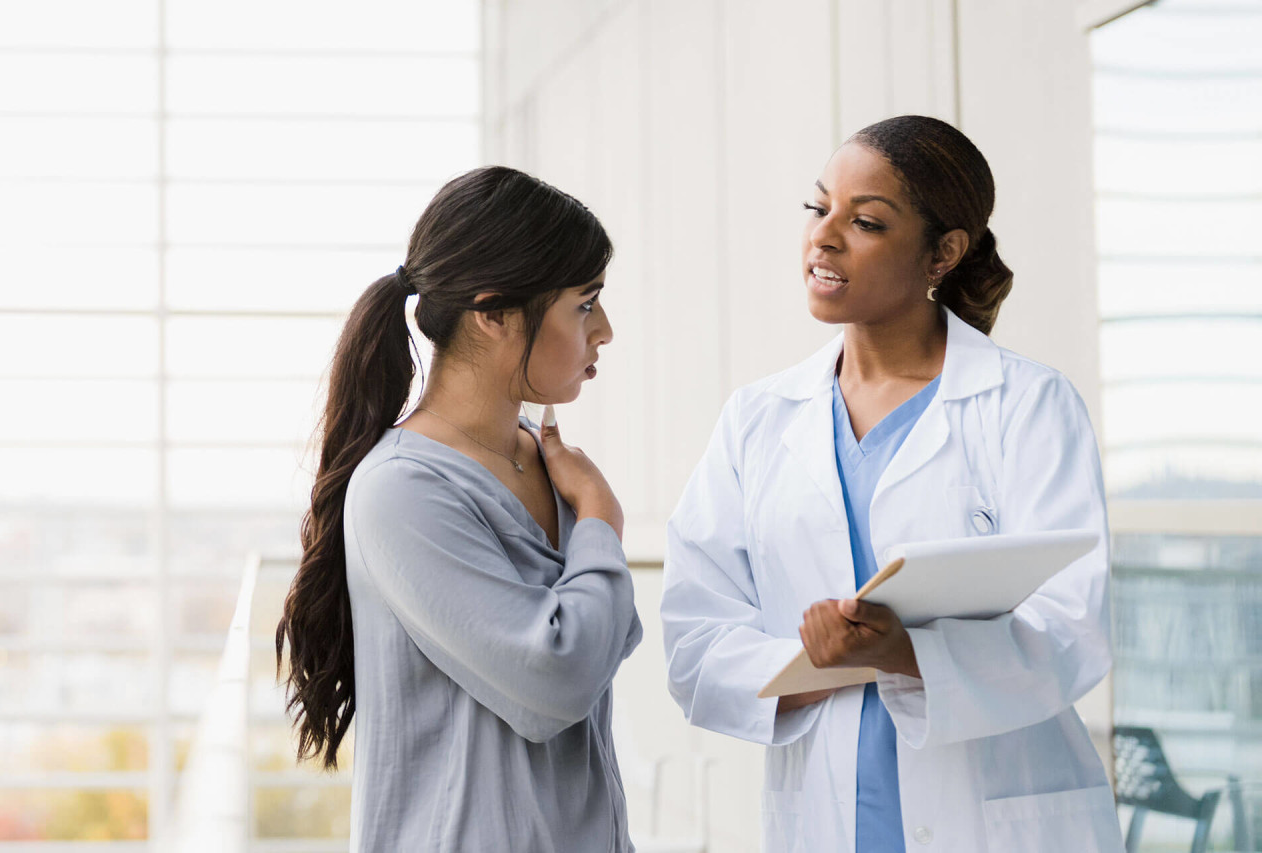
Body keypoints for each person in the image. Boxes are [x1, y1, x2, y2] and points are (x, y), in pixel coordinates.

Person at [660, 115, 1123, 852]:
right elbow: (695, 639)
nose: (825, 236)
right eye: (819, 209)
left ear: (943, 252)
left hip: (994, 818)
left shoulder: (1027, 405)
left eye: (866, 220)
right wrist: (827, 662)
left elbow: (1073, 627)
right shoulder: (757, 418)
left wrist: (904, 654)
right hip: (828, 813)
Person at [276, 165, 644, 852]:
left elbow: (603, 643)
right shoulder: (403, 489)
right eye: (585, 304)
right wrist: (599, 516)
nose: (606, 331)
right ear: (494, 312)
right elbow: (558, 678)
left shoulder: (543, 460)